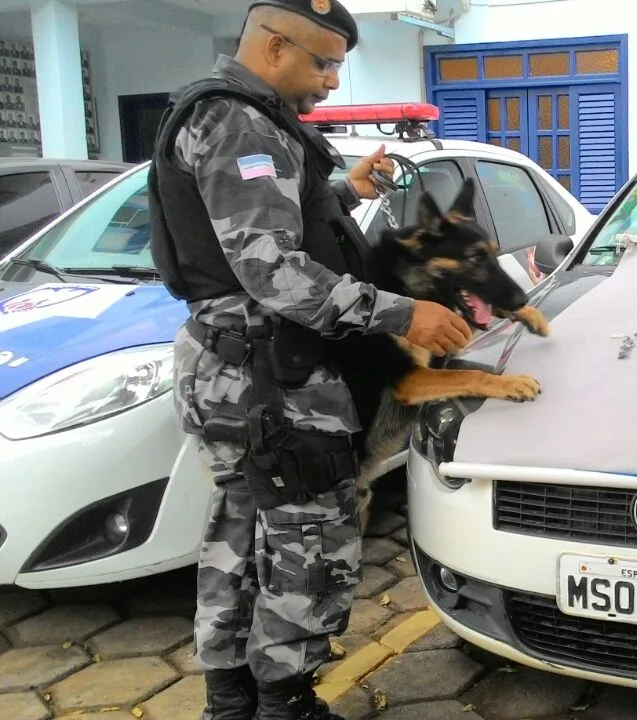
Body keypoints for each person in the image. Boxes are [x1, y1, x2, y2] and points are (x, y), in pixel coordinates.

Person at [145, 0, 474, 718]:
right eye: (322, 62)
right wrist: (404, 311)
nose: (330, 82)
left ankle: (231, 702)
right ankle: (284, 702)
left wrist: (343, 191)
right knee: (311, 545)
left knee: (240, 533)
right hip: (275, 381)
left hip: (234, 368)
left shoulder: (225, 115)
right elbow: (270, 270)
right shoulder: (238, 121)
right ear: (272, 47)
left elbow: (248, 224)